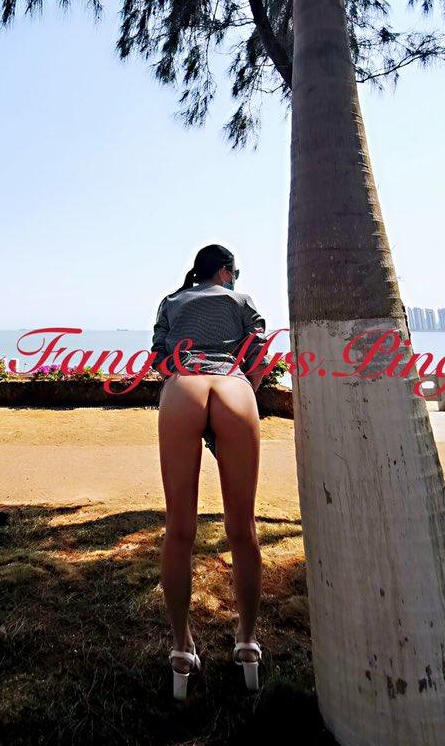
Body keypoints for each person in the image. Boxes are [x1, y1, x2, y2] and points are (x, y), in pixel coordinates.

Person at [151, 244, 268, 700]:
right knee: (242, 527)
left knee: (179, 528)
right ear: (224, 272)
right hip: (233, 388)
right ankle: (247, 643)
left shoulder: (171, 301)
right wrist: (246, 392)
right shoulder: (240, 301)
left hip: (183, 390)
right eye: (234, 272)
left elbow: (159, 359)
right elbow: (257, 357)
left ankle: (182, 649)